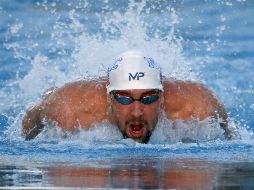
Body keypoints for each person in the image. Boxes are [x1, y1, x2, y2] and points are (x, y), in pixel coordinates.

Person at [22, 50, 231, 142]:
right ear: (109, 97)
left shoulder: (197, 106)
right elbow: (31, 118)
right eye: (124, 98)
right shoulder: (71, 110)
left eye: (148, 98)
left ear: (162, 96)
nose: (137, 111)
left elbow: (231, 134)